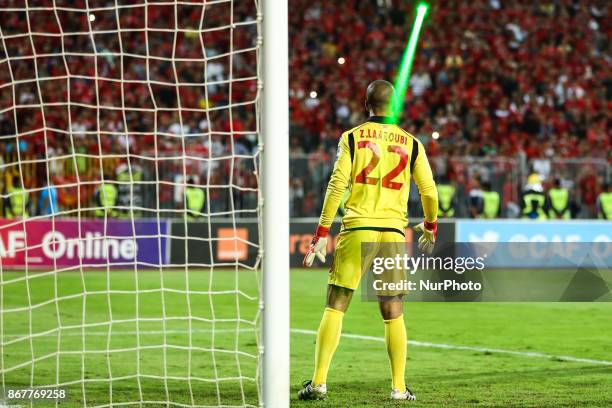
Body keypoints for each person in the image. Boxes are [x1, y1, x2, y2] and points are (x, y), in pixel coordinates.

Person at [298, 80, 438, 401]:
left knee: (336, 304)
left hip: (357, 226)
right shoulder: (412, 143)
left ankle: (319, 382)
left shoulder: (352, 138)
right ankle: (399, 388)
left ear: (366, 105)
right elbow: (429, 191)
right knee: (393, 309)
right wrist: (430, 224)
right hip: (391, 231)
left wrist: (321, 232)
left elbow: (336, 186)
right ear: (396, 105)